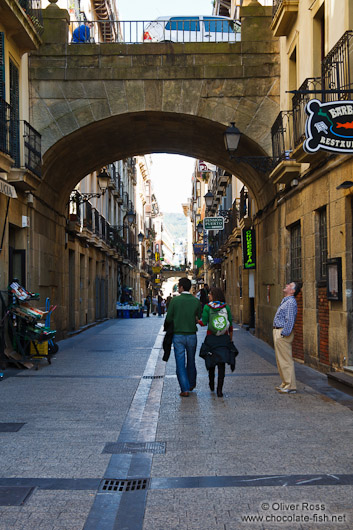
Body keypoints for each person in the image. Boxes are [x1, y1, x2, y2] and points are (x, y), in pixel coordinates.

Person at [165, 277, 202, 397]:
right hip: (192, 335)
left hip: (178, 335)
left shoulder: (175, 301)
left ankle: (184, 388)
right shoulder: (196, 301)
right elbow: (199, 317)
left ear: (181, 287)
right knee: (191, 360)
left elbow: (169, 318)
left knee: (180, 362)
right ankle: (191, 383)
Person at [198, 287, 236, 397]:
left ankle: (211, 383)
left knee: (211, 361)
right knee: (221, 364)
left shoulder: (207, 307)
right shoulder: (226, 307)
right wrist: (230, 339)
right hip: (223, 338)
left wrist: (197, 321)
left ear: (214, 295)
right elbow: (230, 325)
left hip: (211, 338)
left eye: (210, 294)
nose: (208, 296)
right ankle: (220, 390)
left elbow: (204, 323)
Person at [273, 282, 301, 394]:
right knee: (280, 360)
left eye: (290, 285)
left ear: (293, 290)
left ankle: (290, 385)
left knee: (285, 360)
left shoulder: (290, 302)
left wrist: (284, 333)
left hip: (282, 332)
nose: (287, 285)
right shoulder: (286, 300)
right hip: (278, 331)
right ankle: (285, 383)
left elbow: (290, 320)